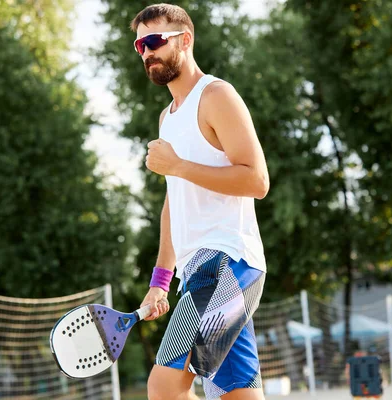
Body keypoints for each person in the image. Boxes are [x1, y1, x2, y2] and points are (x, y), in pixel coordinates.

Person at [132, 3, 269, 400]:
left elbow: (257, 180)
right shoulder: (167, 118)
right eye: (140, 45)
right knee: (237, 395)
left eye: (155, 40)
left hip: (228, 263)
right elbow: (174, 203)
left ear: (185, 39)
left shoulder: (217, 95)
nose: (147, 52)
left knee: (163, 387)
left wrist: (177, 164)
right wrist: (160, 280)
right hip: (197, 272)